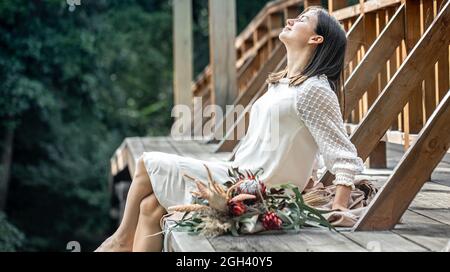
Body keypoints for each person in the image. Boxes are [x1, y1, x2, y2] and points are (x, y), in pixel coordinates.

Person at [95, 6, 365, 252]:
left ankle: (119, 241)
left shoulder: (314, 89)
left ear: (316, 39)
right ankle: (122, 242)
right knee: (150, 207)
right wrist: (308, 174)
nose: (291, 19)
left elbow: (342, 154)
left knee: (145, 163)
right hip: (240, 175)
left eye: (303, 19)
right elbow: (301, 143)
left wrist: (339, 205)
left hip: (261, 188)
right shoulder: (282, 83)